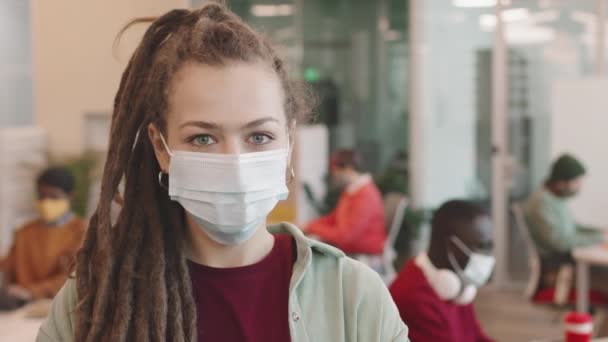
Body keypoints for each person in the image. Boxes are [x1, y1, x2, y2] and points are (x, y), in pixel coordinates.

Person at [37, 4, 407, 342]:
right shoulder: (94, 300)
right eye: (202, 138)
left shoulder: (355, 299)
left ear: (289, 142)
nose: (235, 162)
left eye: (259, 136)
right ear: (161, 148)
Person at [390, 200, 494, 342]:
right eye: (482, 246)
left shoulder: (457, 286)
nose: (489, 255)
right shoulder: (413, 298)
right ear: (452, 246)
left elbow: (477, 338)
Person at [0, 167, 86, 310]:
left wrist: (31, 292)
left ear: (70, 196)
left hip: (59, 308)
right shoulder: (24, 231)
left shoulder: (83, 231)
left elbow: (77, 277)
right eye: (42, 196)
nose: (46, 202)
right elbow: (7, 264)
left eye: (54, 196)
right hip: (19, 306)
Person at [523, 154, 606, 290]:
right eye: (577, 182)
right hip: (558, 268)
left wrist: (598, 232)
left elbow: (572, 228)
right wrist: (599, 238)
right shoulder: (541, 203)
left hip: (566, 262)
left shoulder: (555, 199)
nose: (580, 187)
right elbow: (559, 242)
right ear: (561, 183)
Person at [305, 150, 387, 255]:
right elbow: (333, 218)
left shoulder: (365, 196)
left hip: (363, 255)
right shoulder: (351, 192)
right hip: (351, 250)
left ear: (348, 169)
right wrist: (308, 226)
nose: (334, 175)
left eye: (335, 171)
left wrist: (311, 228)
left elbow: (345, 236)